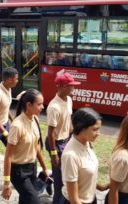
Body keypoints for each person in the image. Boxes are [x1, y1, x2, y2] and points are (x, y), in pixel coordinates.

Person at [1, 89, 49, 204]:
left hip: (32, 168)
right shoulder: (17, 126)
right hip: (19, 172)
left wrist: (45, 168)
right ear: (29, 105)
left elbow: (36, 146)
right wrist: (6, 184)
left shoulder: (35, 119)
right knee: (34, 201)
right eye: (39, 104)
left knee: (25, 200)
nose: (43, 107)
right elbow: (8, 156)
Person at [60, 108, 109, 204]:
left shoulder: (86, 143)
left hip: (90, 199)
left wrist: (101, 187)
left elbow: (84, 176)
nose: (98, 133)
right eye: (95, 129)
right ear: (81, 129)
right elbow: (74, 199)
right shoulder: (71, 156)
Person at [46, 72, 80, 204]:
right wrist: (54, 154)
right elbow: (51, 133)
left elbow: (69, 121)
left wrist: (75, 137)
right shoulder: (54, 107)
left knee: (61, 172)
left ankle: (46, 179)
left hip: (66, 141)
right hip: (55, 143)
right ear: (60, 86)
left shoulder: (69, 100)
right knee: (61, 180)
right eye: (70, 86)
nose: (73, 88)